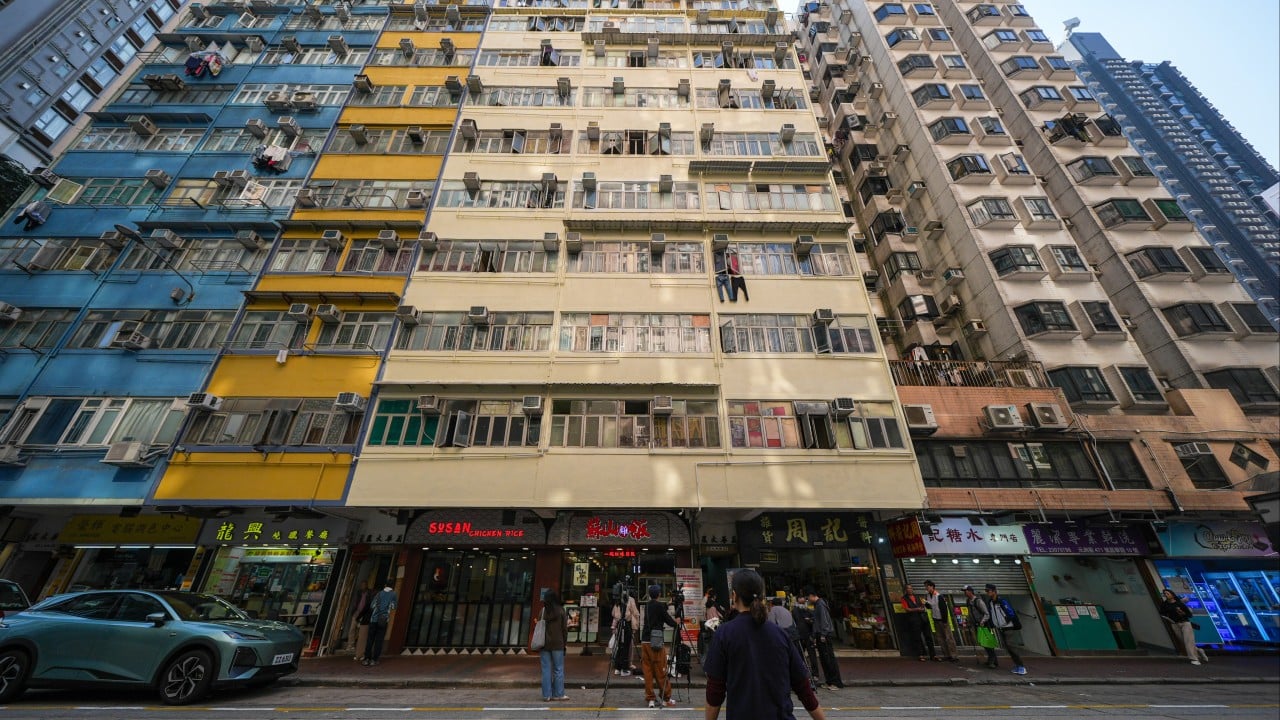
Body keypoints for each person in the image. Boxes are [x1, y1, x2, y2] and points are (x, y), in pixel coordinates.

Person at [704, 569, 826, 720]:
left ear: (734, 595)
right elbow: (804, 688)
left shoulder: (724, 634)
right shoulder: (780, 634)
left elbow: (715, 693)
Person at [641, 584, 679, 708]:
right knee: (661, 669)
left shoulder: (647, 606)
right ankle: (665, 698)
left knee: (648, 671)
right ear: (658, 594)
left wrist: (667, 605)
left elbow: (658, 611)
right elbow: (669, 620)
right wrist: (676, 622)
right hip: (656, 642)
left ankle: (650, 699)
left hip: (645, 641)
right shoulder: (659, 606)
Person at [981, 584, 1026, 675]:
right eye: (986, 591)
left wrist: (1005, 621)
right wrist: (993, 624)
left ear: (994, 591)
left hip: (1008, 627)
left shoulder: (1002, 601)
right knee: (1008, 648)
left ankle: (1021, 666)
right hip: (1000, 628)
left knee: (1012, 647)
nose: (987, 592)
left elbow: (1010, 613)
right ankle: (1017, 665)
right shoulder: (990, 602)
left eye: (988, 591)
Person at [806, 587, 844, 689]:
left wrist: (823, 634)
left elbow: (824, 621)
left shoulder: (820, 605)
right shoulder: (817, 605)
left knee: (829, 659)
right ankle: (829, 681)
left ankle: (836, 683)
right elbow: (819, 620)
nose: (808, 599)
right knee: (824, 659)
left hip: (824, 635)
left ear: (812, 595)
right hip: (820, 634)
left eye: (808, 597)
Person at [1159, 588, 1208, 665]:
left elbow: (1189, 614)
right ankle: (1199, 651)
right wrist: (1167, 618)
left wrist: (1182, 613)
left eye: (1167, 593)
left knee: (1188, 641)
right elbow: (1162, 613)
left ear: (1172, 594)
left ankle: (1194, 659)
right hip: (1174, 624)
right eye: (1164, 594)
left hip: (1185, 623)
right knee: (1184, 642)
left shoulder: (1179, 604)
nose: (1166, 595)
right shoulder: (1165, 604)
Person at [539, 591, 571, 701]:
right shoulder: (561, 611)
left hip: (544, 644)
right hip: (558, 644)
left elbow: (539, 627)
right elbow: (564, 630)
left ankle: (546, 695)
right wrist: (564, 643)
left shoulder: (542, 611)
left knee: (546, 670)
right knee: (558, 669)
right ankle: (559, 694)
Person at [362, 583, 397, 667]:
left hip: (373, 619)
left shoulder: (379, 593)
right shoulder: (393, 594)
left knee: (370, 640)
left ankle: (366, 659)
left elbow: (372, 605)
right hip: (383, 620)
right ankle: (374, 659)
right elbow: (393, 606)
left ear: (385, 585)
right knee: (379, 640)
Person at [900, 584, 937, 661]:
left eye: (911, 588)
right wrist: (917, 609)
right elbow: (907, 609)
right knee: (917, 637)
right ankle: (921, 654)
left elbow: (923, 605)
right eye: (908, 588)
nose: (910, 590)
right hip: (914, 619)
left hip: (923, 618)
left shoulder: (918, 597)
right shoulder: (904, 599)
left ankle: (933, 655)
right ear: (905, 590)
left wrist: (923, 608)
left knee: (928, 636)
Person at [923, 580, 958, 662]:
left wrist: (945, 621)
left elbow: (944, 609)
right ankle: (946, 655)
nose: (926, 588)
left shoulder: (938, 596)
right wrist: (926, 604)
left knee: (949, 638)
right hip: (935, 619)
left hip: (942, 620)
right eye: (925, 586)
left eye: (927, 586)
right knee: (940, 638)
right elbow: (930, 607)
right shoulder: (928, 596)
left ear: (932, 586)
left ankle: (954, 655)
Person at [791, 595, 822, 686]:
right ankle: (803, 673)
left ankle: (815, 674)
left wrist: (810, 622)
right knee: (800, 656)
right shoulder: (795, 611)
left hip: (808, 635)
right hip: (799, 636)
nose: (802, 599)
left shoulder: (809, 610)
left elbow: (814, 621)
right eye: (800, 598)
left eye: (803, 598)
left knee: (812, 655)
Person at [612, 585, 640, 676]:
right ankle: (624, 668)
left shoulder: (617, 599)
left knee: (620, 646)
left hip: (619, 624)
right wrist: (636, 625)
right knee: (626, 647)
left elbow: (614, 613)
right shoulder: (630, 599)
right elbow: (635, 613)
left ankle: (617, 668)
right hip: (627, 624)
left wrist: (613, 627)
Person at [349, 583, 374, 661]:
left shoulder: (370, 594)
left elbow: (367, 606)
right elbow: (356, 603)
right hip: (357, 613)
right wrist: (354, 612)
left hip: (364, 616)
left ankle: (361, 653)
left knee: (362, 635)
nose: (363, 586)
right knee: (352, 629)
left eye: (364, 584)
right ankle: (351, 645)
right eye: (362, 585)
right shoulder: (359, 593)